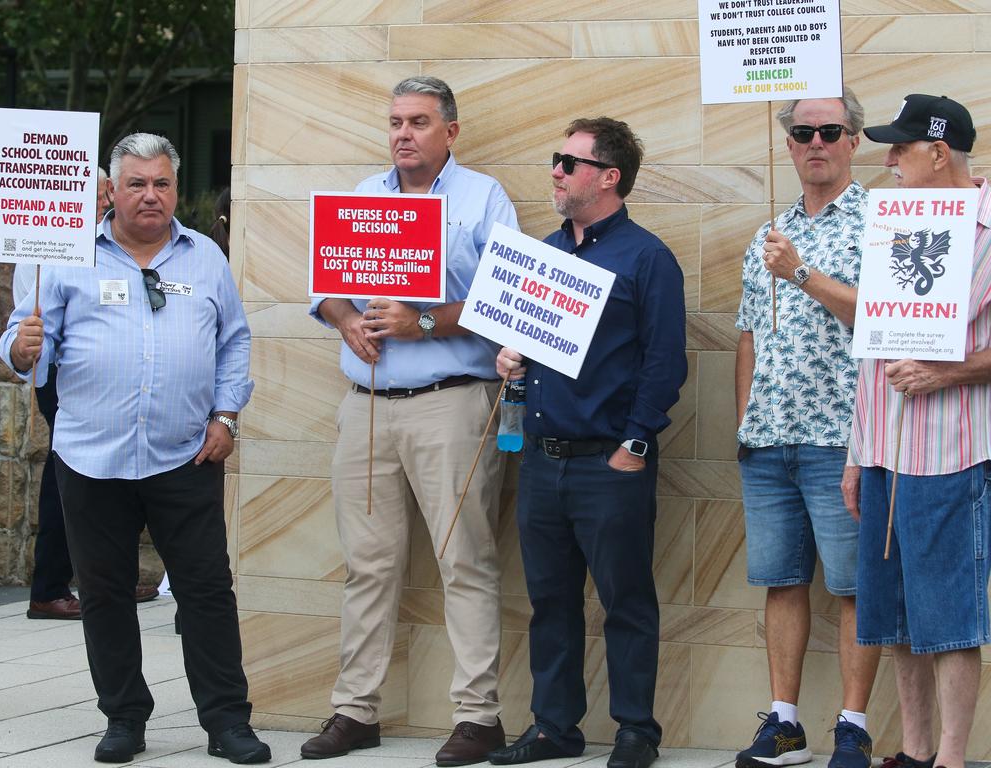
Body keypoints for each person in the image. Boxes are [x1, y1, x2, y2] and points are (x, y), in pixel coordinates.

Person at [0, 133, 270, 764]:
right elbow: (20, 346)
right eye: (137, 184)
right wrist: (22, 349)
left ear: (176, 189)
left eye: (162, 184)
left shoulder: (204, 257)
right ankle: (124, 718)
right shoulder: (60, 257)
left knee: (207, 590)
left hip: (185, 454)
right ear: (111, 191)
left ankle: (227, 721)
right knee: (104, 592)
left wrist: (227, 416)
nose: (151, 196)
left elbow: (234, 339)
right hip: (92, 456)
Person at [301, 76, 517, 767]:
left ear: (449, 131)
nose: (403, 133)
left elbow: (510, 298)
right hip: (365, 405)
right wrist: (346, 323)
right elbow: (328, 286)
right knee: (367, 566)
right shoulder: (363, 197)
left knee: (466, 562)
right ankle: (355, 711)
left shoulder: (482, 198)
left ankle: (479, 718)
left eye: (419, 121)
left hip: (452, 402)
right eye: (395, 120)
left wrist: (424, 321)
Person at [488, 117, 686, 768]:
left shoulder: (647, 258)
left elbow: (665, 364)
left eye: (567, 163)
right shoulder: (542, 253)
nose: (555, 172)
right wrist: (509, 358)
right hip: (542, 461)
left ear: (608, 177)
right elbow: (524, 346)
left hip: (610, 462)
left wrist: (634, 445)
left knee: (626, 600)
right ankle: (553, 728)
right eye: (555, 161)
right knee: (549, 603)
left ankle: (636, 732)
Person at [732, 89, 880, 768]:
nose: (815, 142)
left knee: (853, 585)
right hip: (769, 441)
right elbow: (747, 338)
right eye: (802, 132)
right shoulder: (769, 233)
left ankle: (853, 725)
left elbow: (881, 317)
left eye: (829, 130)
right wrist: (745, 423)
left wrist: (801, 272)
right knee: (780, 579)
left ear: (853, 139)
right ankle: (784, 722)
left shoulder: (880, 221)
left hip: (842, 440)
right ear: (788, 144)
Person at [844, 94, 990, 768]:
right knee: (894, 615)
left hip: (951, 451)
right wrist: (856, 451)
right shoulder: (892, 222)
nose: (890, 159)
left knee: (950, 618)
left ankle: (953, 760)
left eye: (901, 148)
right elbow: (874, 341)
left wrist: (949, 373)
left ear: (939, 152)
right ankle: (914, 750)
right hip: (881, 448)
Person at [15, 168, 158, 620]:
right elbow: (30, 324)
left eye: (105, 195)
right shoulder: (48, 249)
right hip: (62, 377)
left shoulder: (102, 243)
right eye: (97, 196)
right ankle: (51, 586)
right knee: (69, 479)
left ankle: (108, 573)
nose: (103, 204)